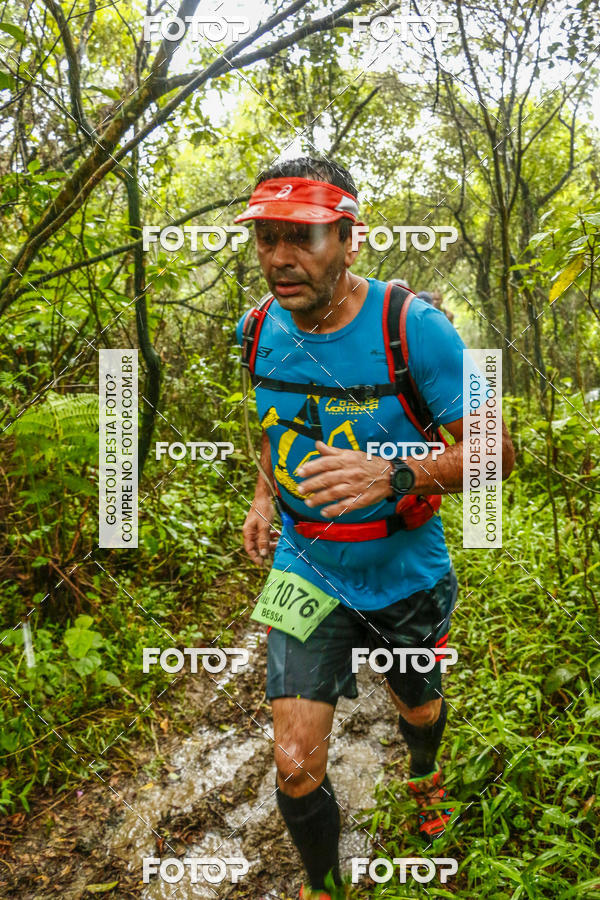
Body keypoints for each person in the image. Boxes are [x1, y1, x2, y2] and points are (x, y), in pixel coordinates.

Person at [234, 157, 514, 899]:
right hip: (304, 568)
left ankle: (423, 773)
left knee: (417, 703)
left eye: (304, 237)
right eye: (266, 237)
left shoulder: (415, 328)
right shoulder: (256, 328)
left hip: (403, 570)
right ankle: (322, 887)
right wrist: (266, 497)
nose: (280, 258)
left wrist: (397, 475)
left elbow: (500, 451)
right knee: (294, 764)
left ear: (350, 239)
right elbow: (274, 424)